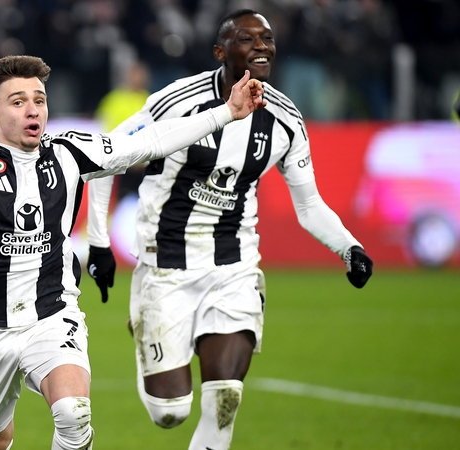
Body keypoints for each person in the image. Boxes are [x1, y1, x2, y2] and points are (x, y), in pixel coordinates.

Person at [0, 55, 266, 450]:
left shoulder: (69, 152)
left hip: (51, 313)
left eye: (39, 100)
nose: (32, 110)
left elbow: (150, 142)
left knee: (73, 413)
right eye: (18, 101)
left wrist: (226, 112)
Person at [85, 10, 374, 450]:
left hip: (233, 267)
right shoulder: (176, 102)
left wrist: (349, 247)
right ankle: (147, 327)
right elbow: (105, 160)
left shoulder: (285, 120)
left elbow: (309, 203)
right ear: (221, 53)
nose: (261, 46)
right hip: (165, 269)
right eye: (247, 39)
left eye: (268, 38)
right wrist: (99, 242)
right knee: (170, 412)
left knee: (225, 399)